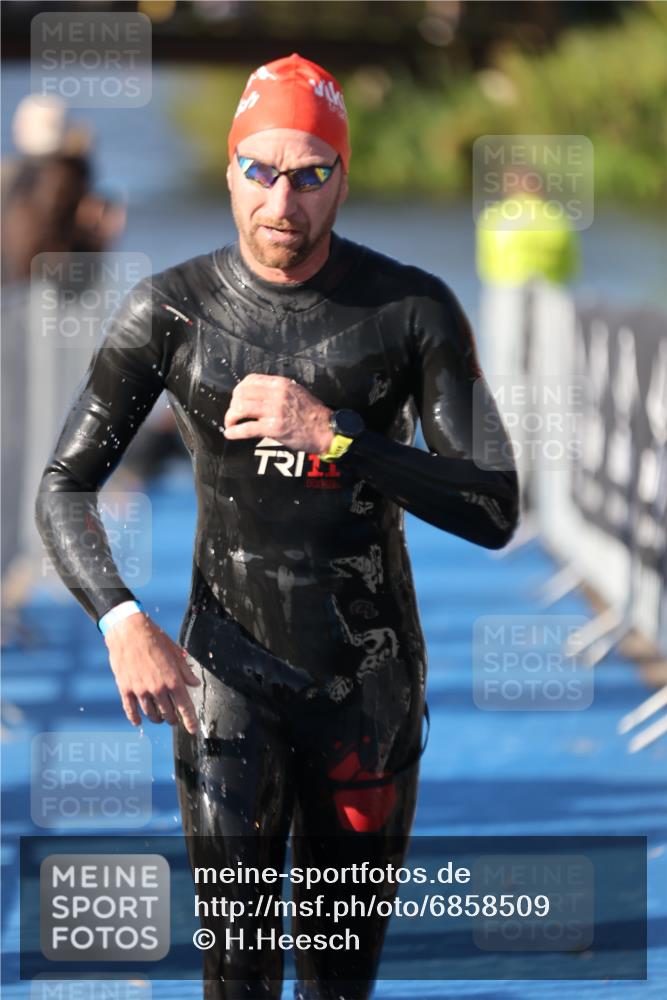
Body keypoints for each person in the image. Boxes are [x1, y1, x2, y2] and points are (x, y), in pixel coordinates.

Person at [35, 54, 519, 1000]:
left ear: (343, 175)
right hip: (225, 684)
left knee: (339, 983)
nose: (281, 202)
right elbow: (64, 486)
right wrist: (120, 619)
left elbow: (493, 508)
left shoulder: (411, 310)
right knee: (239, 978)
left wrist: (336, 437)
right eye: (259, 171)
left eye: (308, 174)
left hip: (366, 689)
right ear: (227, 171)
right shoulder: (169, 310)